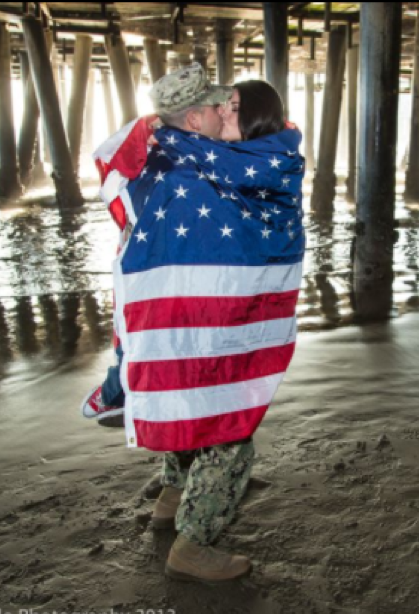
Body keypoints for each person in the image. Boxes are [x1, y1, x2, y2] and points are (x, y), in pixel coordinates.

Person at [85, 64, 306, 583]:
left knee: (191, 406)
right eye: (217, 105)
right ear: (195, 116)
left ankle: (171, 498)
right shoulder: (200, 170)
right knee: (229, 431)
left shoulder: (178, 157)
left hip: (183, 324)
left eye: (232, 106)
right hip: (203, 324)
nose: (223, 108)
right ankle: (193, 543)